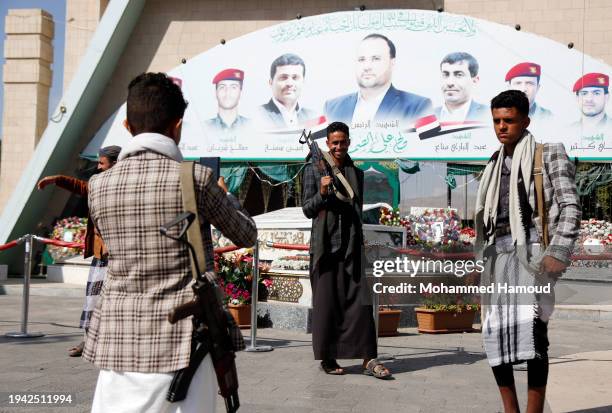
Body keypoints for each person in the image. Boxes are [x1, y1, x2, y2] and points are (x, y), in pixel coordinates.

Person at [82, 73, 257, 412]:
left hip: (118, 341)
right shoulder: (196, 178)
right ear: (178, 126)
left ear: (127, 125)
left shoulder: (98, 186)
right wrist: (225, 195)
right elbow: (246, 234)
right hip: (184, 345)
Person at [475, 90, 580, 413]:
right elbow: (487, 220)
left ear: (526, 121)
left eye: (509, 120)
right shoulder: (494, 162)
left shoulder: (548, 154)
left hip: (533, 254)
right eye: (497, 121)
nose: (502, 127)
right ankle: (511, 410)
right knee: (493, 334)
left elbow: (571, 206)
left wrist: (557, 252)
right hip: (497, 256)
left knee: (534, 336)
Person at [302, 121, 392, 380]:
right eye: (334, 143)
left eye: (343, 142)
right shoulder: (313, 169)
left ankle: (368, 357)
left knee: (359, 304)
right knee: (327, 305)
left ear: (349, 142)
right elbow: (308, 209)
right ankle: (328, 357)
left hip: (351, 246)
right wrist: (321, 192)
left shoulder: (356, 173)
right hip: (325, 247)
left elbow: (356, 212)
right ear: (328, 144)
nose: (339, 147)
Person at [36, 145, 121, 357]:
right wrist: (57, 179)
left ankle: (115, 345)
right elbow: (81, 187)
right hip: (102, 257)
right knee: (92, 301)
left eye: (102, 163)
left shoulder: (125, 184)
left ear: (115, 164)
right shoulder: (97, 184)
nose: (98, 168)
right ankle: (87, 342)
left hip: (122, 257)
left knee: (118, 304)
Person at [324, 33, 432, 128]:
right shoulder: (332, 108)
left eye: (375, 59)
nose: (367, 66)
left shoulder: (418, 107)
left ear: (392, 62)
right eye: (361, 59)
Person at [257, 53, 316, 129]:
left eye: (295, 78)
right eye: (283, 77)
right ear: (271, 82)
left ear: (303, 82)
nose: (289, 83)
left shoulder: (312, 117)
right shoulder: (258, 116)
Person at [434, 52, 489, 122]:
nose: (450, 83)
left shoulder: (490, 115)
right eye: (446, 75)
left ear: (475, 81)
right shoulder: (425, 117)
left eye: (459, 75)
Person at [205, 68, 250, 134]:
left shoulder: (252, 127)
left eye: (233, 87)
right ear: (215, 93)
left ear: (241, 93)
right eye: (222, 87)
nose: (228, 93)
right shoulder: (203, 127)